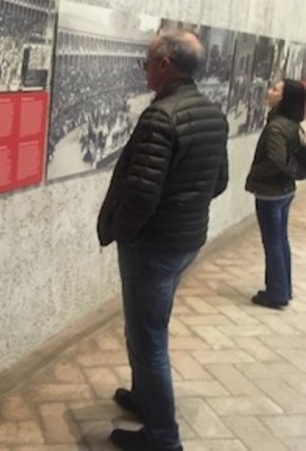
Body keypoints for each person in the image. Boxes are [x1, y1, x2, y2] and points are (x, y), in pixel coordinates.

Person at [96, 30, 229, 451]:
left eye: (147, 62)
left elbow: (141, 194)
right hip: (185, 241)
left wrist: (124, 233)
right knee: (149, 327)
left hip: (152, 246)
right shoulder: (212, 113)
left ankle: (163, 437)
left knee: (147, 337)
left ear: (165, 65)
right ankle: (145, 398)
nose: (145, 70)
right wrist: (182, 210)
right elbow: (219, 181)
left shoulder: (161, 116)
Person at [245, 78, 306, 309]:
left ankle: (276, 293)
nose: (269, 91)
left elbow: (275, 160)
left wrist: (255, 174)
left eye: (275, 89)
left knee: (273, 243)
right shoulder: (291, 123)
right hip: (284, 190)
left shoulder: (277, 126)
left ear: (285, 97)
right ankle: (282, 288)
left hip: (271, 192)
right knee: (280, 241)